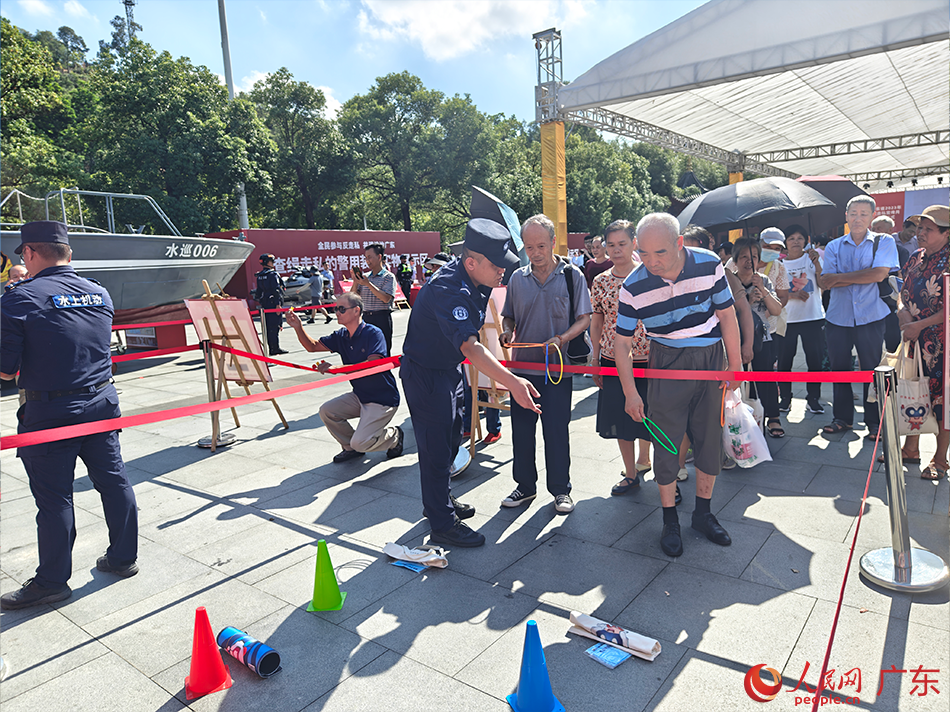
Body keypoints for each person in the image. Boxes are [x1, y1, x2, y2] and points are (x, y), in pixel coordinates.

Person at [0, 221, 139, 610]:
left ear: (28, 253)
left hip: (51, 410)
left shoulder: (18, 299)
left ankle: (52, 582)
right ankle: (123, 558)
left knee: (55, 497)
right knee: (114, 481)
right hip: (101, 402)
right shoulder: (99, 292)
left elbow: (6, 370)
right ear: (69, 254)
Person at [402, 218, 540, 547]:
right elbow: (470, 346)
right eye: (497, 266)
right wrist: (514, 383)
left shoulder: (480, 279)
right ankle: (442, 523)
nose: (502, 272)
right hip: (425, 374)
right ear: (471, 262)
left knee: (452, 440)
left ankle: (440, 499)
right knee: (435, 449)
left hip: (448, 371)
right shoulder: (449, 287)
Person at [614, 213, 741, 558]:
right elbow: (621, 343)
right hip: (665, 361)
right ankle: (669, 519)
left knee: (709, 438)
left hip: (711, 358)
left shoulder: (709, 264)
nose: (652, 262)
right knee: (667, 442)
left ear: (680, 243)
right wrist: (630, 392)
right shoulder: (634, 286)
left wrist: (736, 365)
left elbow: (727, 315)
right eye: (644, 253)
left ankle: (703, 513)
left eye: (661, 253)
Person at [500, 214, 592, 515]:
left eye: (541, 245)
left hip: (557, 370)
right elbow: (509, 315)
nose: (536, 253)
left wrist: (562, 338)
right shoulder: (517, 278)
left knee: (556, 431)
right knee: (522, 431)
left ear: (553, 242)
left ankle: (560, 490)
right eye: (529, 247)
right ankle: (525, 486)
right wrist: (507, 330)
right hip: (523, 370)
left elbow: (585, 319)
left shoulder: (572, 276)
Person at [286, 293, 404, 463]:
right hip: (360, 396)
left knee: (361, 442)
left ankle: (394, 436)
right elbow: (312, 347)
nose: (337, 312)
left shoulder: (373, 333)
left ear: (357, 311)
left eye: (341, 309)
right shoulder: (341, 335)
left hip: (382, 399)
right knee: (327, 411)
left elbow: (373, 364)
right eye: (335, 309)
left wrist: (336, 369)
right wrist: (298, 327)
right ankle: (350, 447)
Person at [819, 195, 898, 438]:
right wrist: (865, 274)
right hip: (837, 318)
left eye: (864, 213)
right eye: (853, 213)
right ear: (846, 215)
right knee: (839, 368)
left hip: (871, 316)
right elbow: (826, 281)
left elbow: (879, 275)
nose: (858, 218)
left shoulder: (883, 241)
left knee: (872, 370)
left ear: (872, 216)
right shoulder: (833, 246)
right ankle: (842, 418)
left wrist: (843, 277)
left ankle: (875, 421)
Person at [590, 220, 653, 496]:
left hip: (649, 357)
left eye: (622, 244)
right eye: (611, 245)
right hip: (612, 358)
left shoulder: (650, 276)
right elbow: (597, 319)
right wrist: (594, 356)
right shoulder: (601, 281)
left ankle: (648, 460)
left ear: (634, 243)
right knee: (621, 416)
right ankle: (630, 473)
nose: (616, 250)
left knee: (652, 415)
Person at [894, 205, 949, 480]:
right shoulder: (915, 256)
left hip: (944, 344)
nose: (921, 233)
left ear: (946, 233)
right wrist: (903, 313)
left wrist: (918, 325)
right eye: (920, 227)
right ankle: (910, 449)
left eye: (929, 229)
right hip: (914, 338)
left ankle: (940, 459)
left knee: (944, 401)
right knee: (913, 391)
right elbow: (902, 290)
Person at [733, 237, 786, 438]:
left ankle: (773, 417)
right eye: (744, 257)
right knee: (738, 379)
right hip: (736, 338)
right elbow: (727, 312)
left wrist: (762, 292)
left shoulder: (763, 280)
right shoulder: (730, 281)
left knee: (766, 378)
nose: (749, 261)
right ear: (735, 260)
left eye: (753, 257)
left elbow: (777, 310)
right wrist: (746, 300)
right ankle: (739, 418)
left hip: (763, 338)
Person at [777, 224, 826, 414]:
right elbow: (772, 291)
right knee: (784, 362)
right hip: (787, 319)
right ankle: (785, 399)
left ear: (806, 240)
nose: (796, 241)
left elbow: (824, 284)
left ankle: (813, 398)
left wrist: (818, 265)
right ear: (785, 244)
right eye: (791, 238)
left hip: (812, 317)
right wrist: (793, 295)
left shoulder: (813, 259)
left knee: (814, 361)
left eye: (799, 238)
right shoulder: (779, 264)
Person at [350, 243, 397, 355]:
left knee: (383, 352)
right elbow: (353, 297)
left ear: (379, 257)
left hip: (382, 317)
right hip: (366, 318)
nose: (367, 261)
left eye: (370, 257)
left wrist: (368, 284)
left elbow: (386, 298)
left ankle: (384, 373)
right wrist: (356, 282)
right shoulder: (365, 277)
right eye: (366, 258)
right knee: (366, 351)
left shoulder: (388, 277)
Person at [254, 253, 287, 355]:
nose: (273, 263)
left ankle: (271, 347)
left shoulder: (260, 276)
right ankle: (275, 348)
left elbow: (258, 292)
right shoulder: (272, 275)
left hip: (265, 304)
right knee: (275, 326)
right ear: (267, 262)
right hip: (273, 304)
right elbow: (276, 290)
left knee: (268, 327)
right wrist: (278, 304)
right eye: (272, 261)